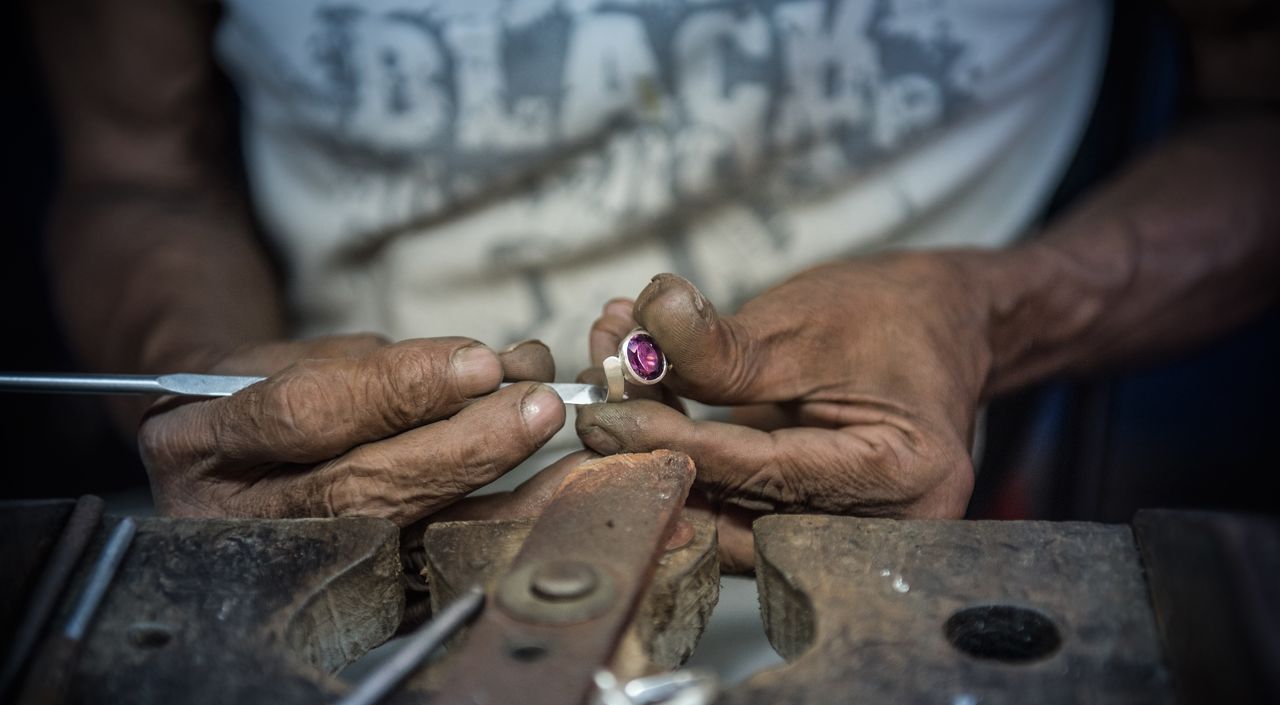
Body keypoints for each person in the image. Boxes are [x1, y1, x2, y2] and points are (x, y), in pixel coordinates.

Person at [27, 1, 1279, 568]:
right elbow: (135, 171)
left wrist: (990, 312)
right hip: (339, 547)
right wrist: (214, 398)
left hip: (891, 543)